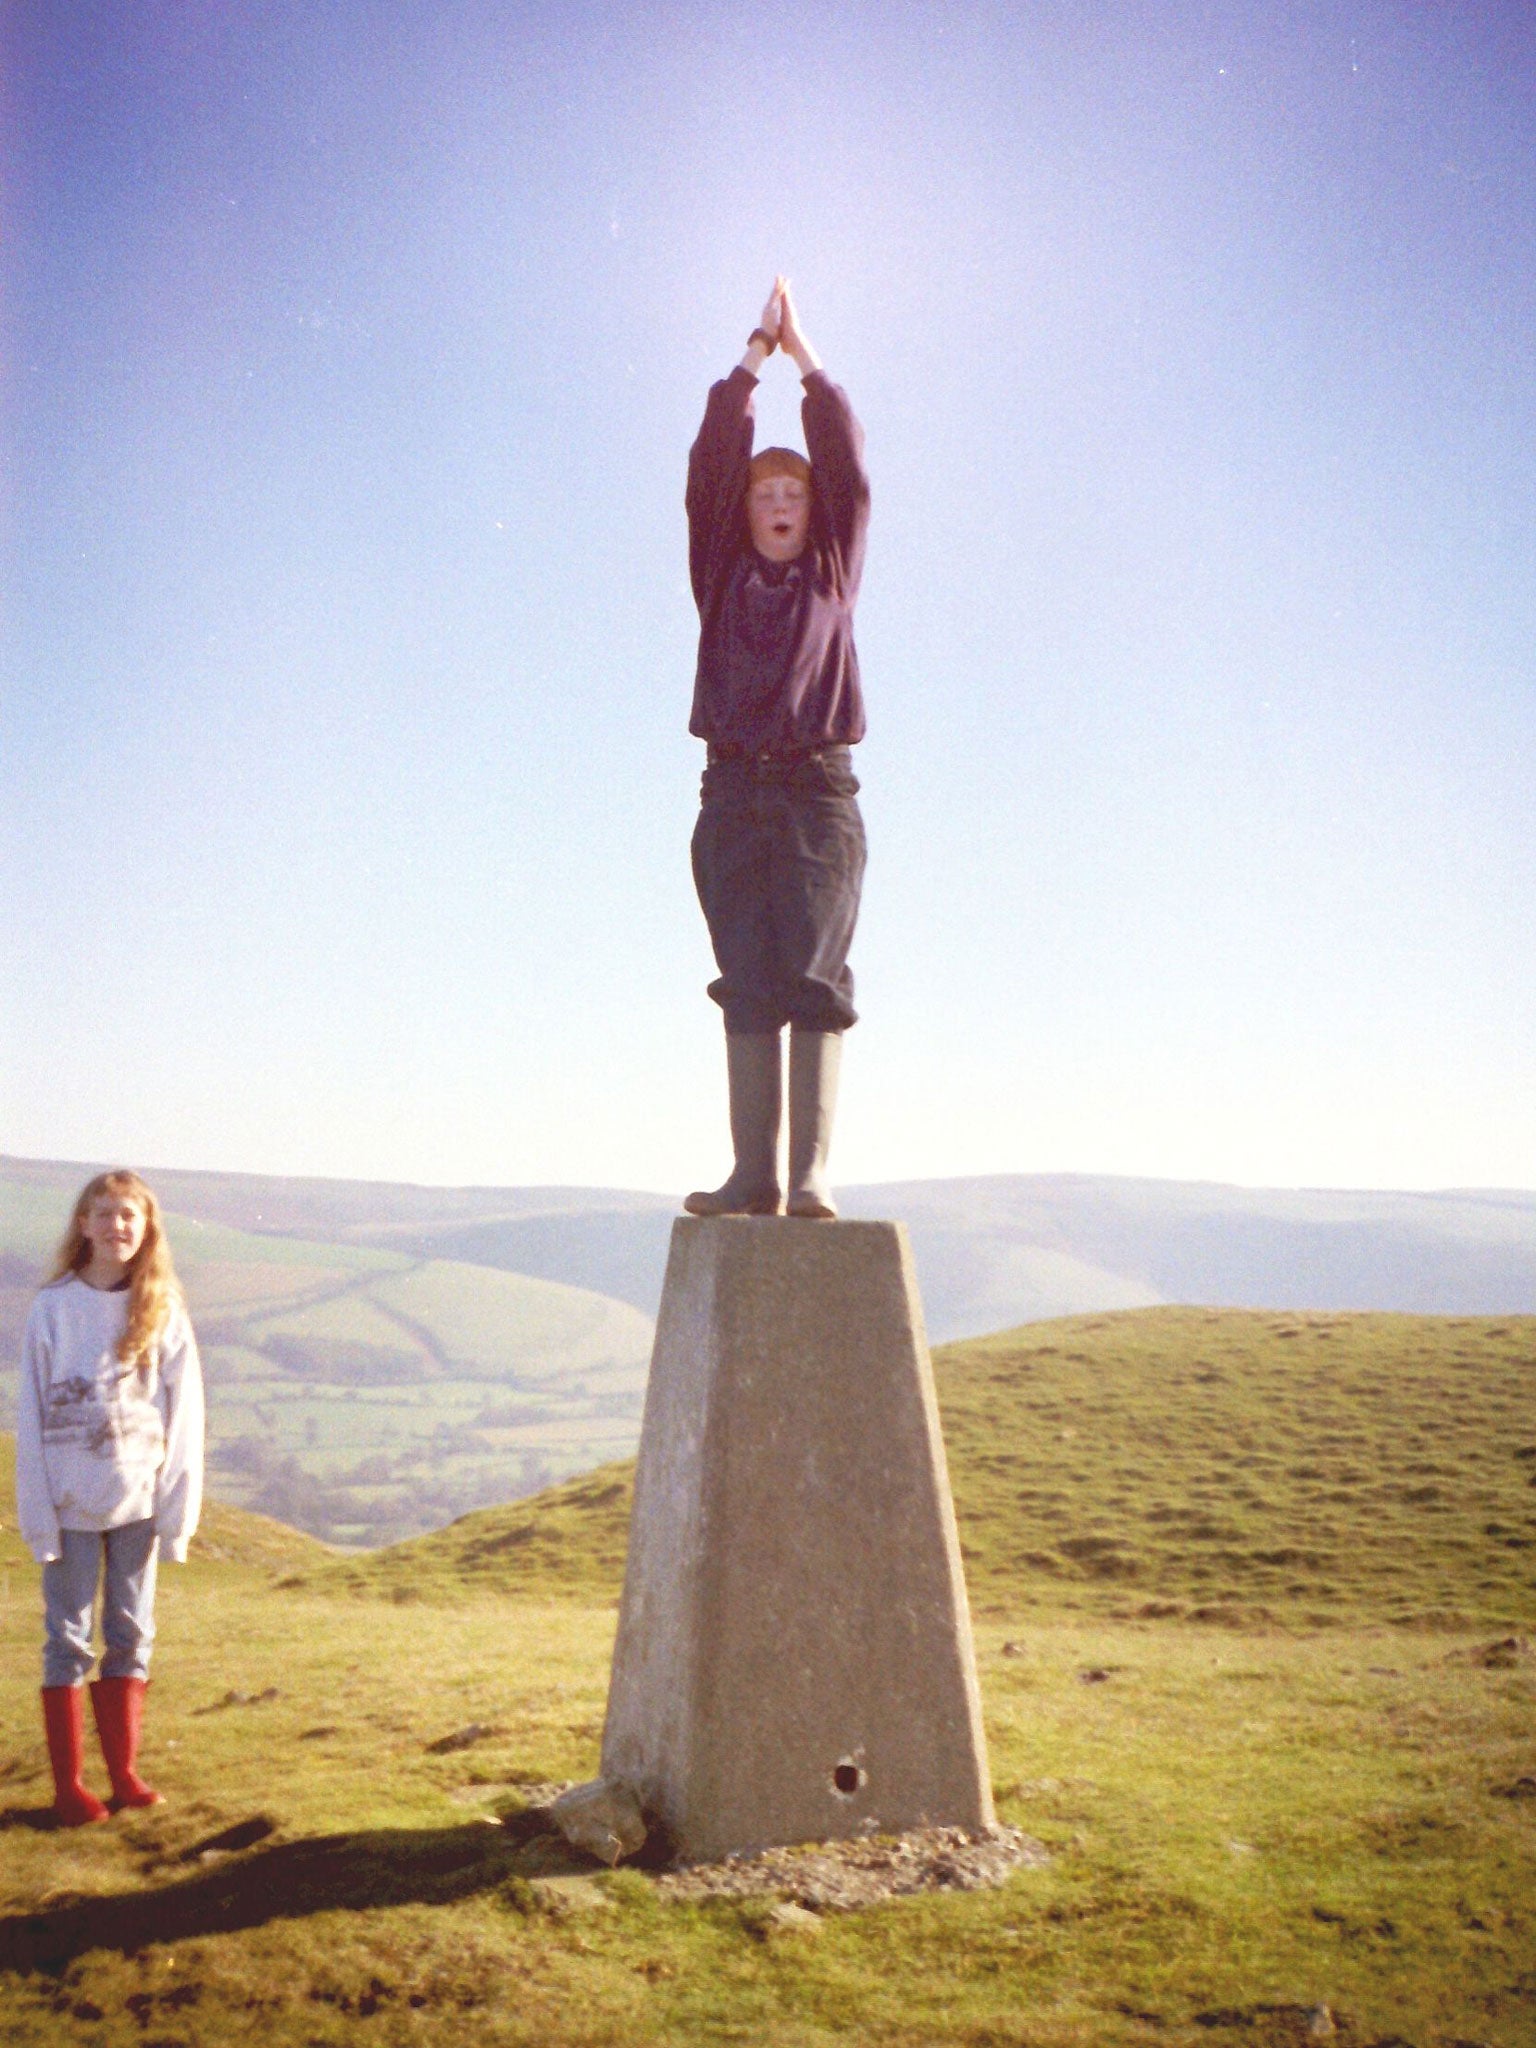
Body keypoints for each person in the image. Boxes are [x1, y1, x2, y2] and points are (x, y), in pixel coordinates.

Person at [684, 277, 871, 1220]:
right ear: (748, 511)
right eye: (769, 493)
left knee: (814, 981)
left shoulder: (834, 571)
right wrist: (750, 361)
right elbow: (712, 463)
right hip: (729, 796)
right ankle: (752, 1175)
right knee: (747, 982)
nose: (783, 502)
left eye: (796, 491)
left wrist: (806, 356)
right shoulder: (717, 576)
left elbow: (849, 466)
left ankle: (808, 1177)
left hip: (816, 798)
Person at [15, 1169, 204, 1825]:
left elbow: (186, 1418)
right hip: (68, 1507)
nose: (116, 1226)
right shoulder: (53, 1308)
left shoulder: (162, 1308)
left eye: (129, 1215)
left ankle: (124, 1773)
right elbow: (32, 1420)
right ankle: (70, 1788)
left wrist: (177, 1516)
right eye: (104, 1213)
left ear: (146, 1226)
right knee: (67, 1639)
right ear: (83, 1224)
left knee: (130, 1635)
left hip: (138, 1505)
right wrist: (37, 1516)